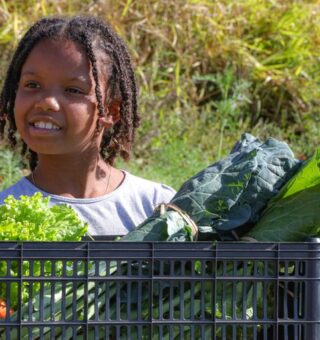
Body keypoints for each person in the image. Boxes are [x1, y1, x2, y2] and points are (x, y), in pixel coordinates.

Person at [0, 15, 176, 237]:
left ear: (111, 111)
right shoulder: (6, 213)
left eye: (73, 90)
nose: (46, 102)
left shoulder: (157, 208)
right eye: (32, 85)